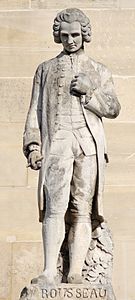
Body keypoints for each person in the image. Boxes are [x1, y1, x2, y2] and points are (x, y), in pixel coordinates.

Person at [23, 8, 120, 286]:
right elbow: (35, 110)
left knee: (82, 208)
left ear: (84, 35)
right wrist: (32, 145)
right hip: (58, 143)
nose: (70, 41)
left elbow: (113, 108)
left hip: (88, 143)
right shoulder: (45, 69)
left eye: (75, 35)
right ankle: (49, 271)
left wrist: (90, 90)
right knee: (54, 206)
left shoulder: (99, 70)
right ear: (58, 37)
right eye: (64, 36)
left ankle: (76, 270)